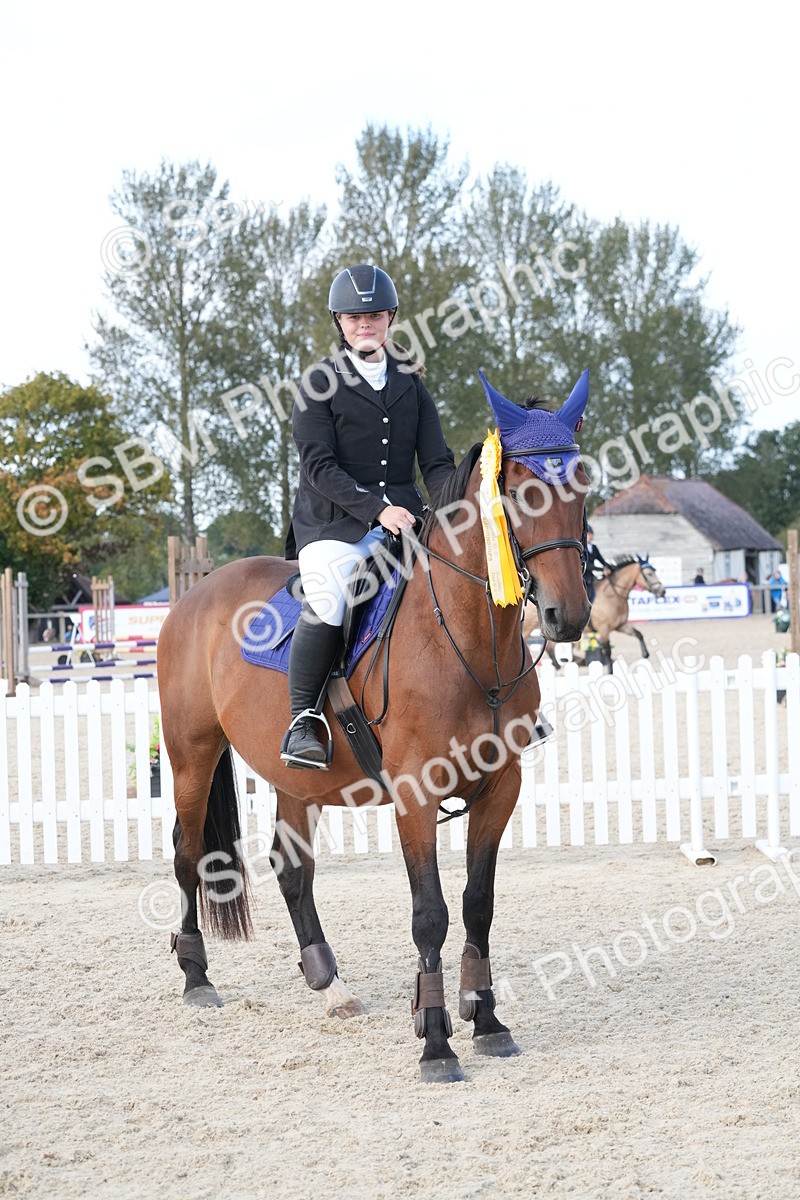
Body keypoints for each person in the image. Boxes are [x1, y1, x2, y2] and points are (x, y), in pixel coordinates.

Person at [281, 264, 456, 767]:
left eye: (375, 315)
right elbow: (318, 467)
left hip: (406, 520)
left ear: (390, 319)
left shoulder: (412, 384)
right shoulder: (318, 382)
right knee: (333, 593)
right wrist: (379, 510)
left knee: (462, 580)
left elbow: (437, 465)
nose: (365, 324)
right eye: (355, 317)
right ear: (339, 320)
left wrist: (459, 506)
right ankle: (303, 721)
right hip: (333, 523)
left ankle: (499, 700)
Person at [583, 525, 610, 604]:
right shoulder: (582, 548)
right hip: (583, 576)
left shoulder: (594, 548)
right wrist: (602, 570)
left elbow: (601, 560)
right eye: (588, 534)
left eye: (591, 534)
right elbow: (587, 566)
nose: (590, 536)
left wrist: (609, 567)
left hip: (591, 578)